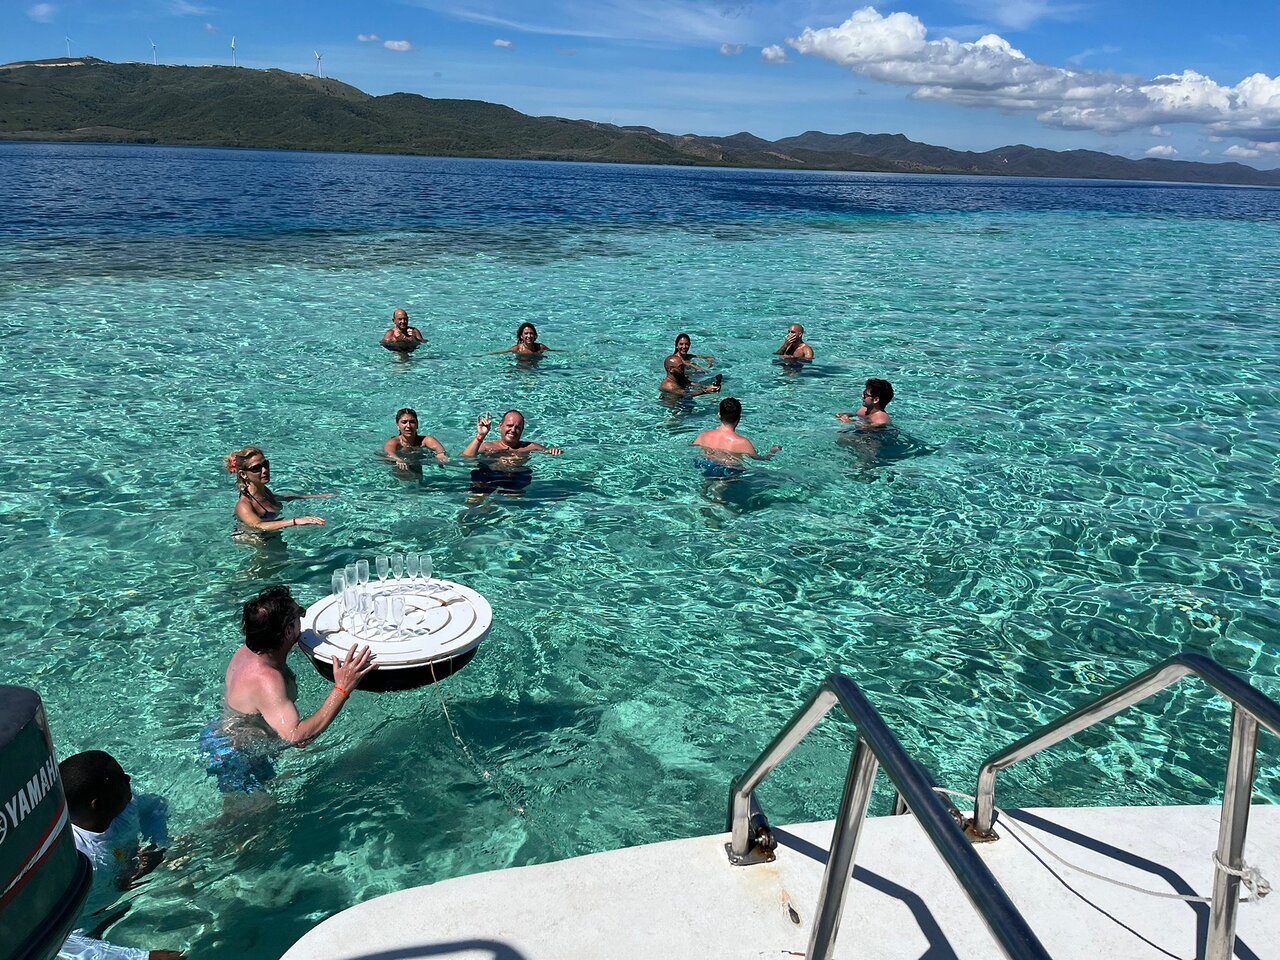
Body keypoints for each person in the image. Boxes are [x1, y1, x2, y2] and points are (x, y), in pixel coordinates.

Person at [201, 586, 375, 794]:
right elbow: (297, 737)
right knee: (251, 823)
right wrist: (342, 688)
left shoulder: (248, 652)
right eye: (299, 614)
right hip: (239, 757)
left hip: (220, 735)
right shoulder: (267, 680)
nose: (303, 618)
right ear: (288, 631)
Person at [58, 750, 184, 960]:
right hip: (86, 921)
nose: (129, 779)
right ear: (97, 804)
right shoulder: (73, 861)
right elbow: (61, 938)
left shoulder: (126, 806)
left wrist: (157, 845)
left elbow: (155, 806)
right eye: (120, 779)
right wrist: (143, 957)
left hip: (124, 895)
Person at [226, 446, 332, 538]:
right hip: (257, 541)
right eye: (256, 468)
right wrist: (296, 521)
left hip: (271, 536)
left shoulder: (263, 491)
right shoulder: (244, 505)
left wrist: (317, 496)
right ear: (243, 475)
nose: (265, 470)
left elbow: (281, 498)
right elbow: (259, 525)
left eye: (265, 464)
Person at [692, 397, 781, 476]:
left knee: (708, 482)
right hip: (729, 470)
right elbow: (760, 459)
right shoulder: (742, 442)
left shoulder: (703, 436)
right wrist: (772, 452)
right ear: (739, 418)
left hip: (707, 465)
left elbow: (691, 448)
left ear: (719, 415)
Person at [383, 407, 448, 469]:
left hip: (417, 463)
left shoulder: (425, 440)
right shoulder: (394, 442)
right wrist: (398, 459)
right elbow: (389, 452)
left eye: (412, 422)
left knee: (417, 476)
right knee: (400, 467)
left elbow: (439, 449)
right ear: (398, 426)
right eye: (404, 422)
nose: (408, 426)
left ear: (417, 424)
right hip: (402, 467)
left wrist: (440, 454)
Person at [489, 322, 557, 357]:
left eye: (531, 333)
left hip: (535, 369)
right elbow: (503, 353)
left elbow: (553, 352)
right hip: (521, 370)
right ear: (521, 336)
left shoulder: (540, 347)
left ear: (535, 335)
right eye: (526, 333)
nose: (529, 336)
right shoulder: (517, 349)